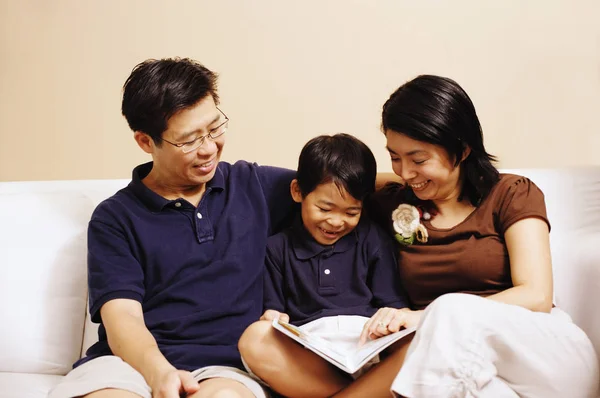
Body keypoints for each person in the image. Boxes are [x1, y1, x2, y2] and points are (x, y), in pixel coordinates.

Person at [48, 58, 297, 398]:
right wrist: (159, 372)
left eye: (213, 128)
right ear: (145, 141)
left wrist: (398, 183)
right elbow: (122, 320)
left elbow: (342, 185)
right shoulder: (116, 217)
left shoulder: (254, 185)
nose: (209, 148)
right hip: (129, 365)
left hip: (224, 369)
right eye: (189, 140)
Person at [357, 75, 599, 397]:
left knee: (450, 310)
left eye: (418, 159)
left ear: (463, 147)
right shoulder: (398, 204)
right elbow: (333, 181)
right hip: (460, 369)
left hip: (544, 355)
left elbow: (536, 296)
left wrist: (426, 316)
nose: (405, 172)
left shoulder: (511, 193)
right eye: (395, 157)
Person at [238, 133, 410, 397]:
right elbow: (273, 312)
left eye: (351, 212)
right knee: (255, 337)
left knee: (417, 339)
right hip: (311, 354)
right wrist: (275, 318)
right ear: (298, 192)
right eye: (325, 208)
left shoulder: (373, 238)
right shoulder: (277, 248)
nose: (336, 221)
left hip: (368, 346)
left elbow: (393, 307)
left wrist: (390, 324)